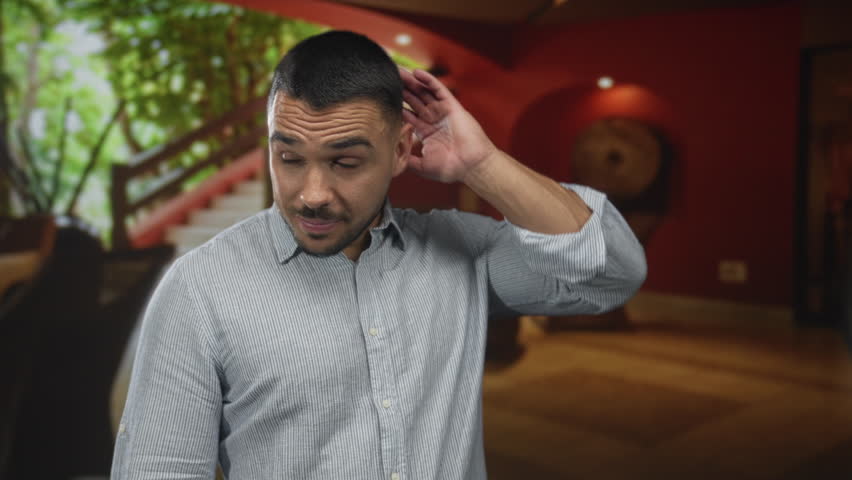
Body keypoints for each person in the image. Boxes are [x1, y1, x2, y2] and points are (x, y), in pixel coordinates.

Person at [111, 30, 646, 480]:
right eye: (289, 157)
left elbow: (611, 274)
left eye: (345, 162)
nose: (312, 192)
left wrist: (480, 163)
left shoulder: (463, 254)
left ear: (399, 152)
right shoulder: (199, 288)